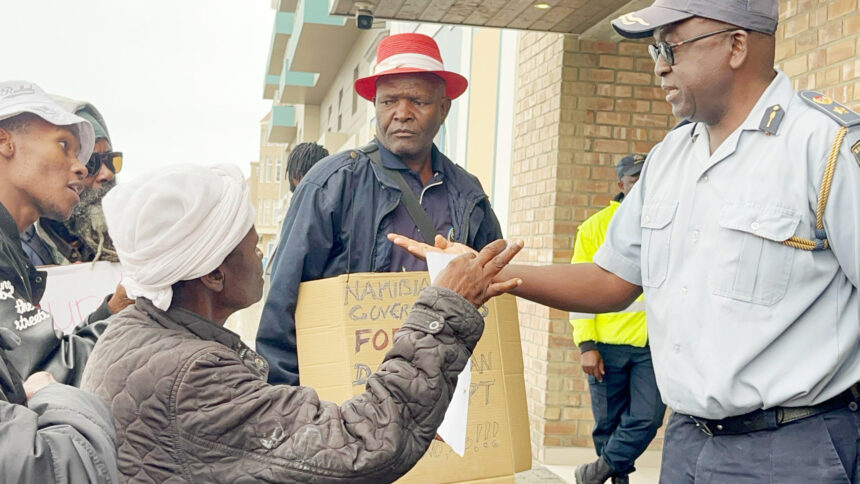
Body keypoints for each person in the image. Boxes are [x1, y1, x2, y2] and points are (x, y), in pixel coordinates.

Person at [391, 0, 860, 481]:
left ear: (736, 46)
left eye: (671, 48)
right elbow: (611, 279)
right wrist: (484, 271)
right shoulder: (670, 156)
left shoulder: (826, 148)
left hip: (795, 450)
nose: (659, 67)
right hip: (687, 443)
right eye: (656, 50)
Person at [80, 163, 522, 483]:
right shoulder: (195, 374)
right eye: (253, 246)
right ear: (213, 274)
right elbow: (365, 443)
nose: (262, 256)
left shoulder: (130, 329)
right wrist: (446, 308)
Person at [257, 32, 504, 385]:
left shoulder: (468, 194)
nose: (402, 114)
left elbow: (492, 296)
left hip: (443, 388)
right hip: (348, 392)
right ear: (375, 106)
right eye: (389, 101)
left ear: (444, 108)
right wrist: (287, 400)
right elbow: (283, 304)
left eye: (418, 101)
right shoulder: (331, 184)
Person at [0, 80, 118, 483]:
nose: (82, 167)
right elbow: (43, 372)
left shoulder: (11, 249)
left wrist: (112, 310)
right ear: (5, 142)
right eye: (64, 145)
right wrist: (131, 311)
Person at [569, 154, 664, 484]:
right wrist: (586, 344)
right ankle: (615, 479)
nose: (641, 185)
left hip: (652, 345)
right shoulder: (595, 227)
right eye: (634, 179)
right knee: (608, 423)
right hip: (606, 346)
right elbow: (579, 289)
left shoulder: (666, 224)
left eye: (646, 178)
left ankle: (596, 472)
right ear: (621, 185)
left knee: (648, 418)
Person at [20, 97, 133, 324]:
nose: (106, 174)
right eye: (90, 162)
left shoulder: (132, 241)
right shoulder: (18, 252)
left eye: (111, 160)